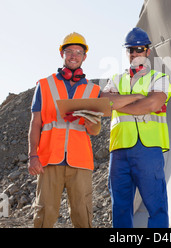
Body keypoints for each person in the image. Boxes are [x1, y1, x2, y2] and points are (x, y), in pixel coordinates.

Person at [28, 32, 142, 228]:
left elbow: (96, 130)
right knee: (45, 213)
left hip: (80, 161)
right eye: (69, 51)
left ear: (84, 57)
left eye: (78, 52)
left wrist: (91, 123)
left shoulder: (92, 91)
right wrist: (32, 155)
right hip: (49, 159)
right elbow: (35, 123)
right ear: (62, 54)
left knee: (83, 213)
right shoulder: (45, 85)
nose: (74, 55)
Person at [103, 27, 171, 228]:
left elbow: (151, 105)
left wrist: (119, 104)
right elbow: (104, 103)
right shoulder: (116, 79)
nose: (135, 54)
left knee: (156, 204)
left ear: (148, 51)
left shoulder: (159, 79)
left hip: (148, 148)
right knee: (120, 207)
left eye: (139, 49)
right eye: (131, 50)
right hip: (119, 150)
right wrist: (135, 98)